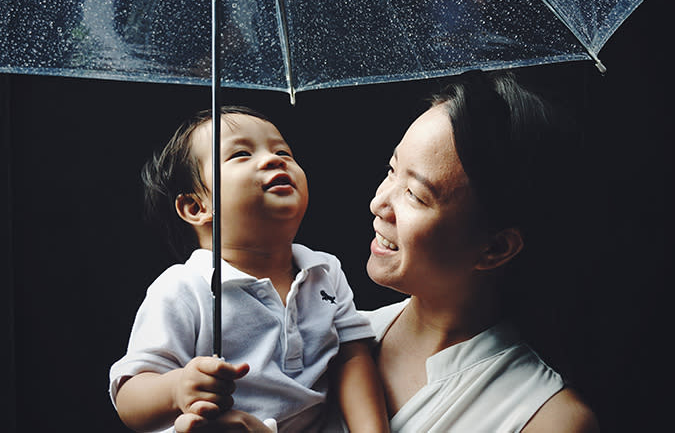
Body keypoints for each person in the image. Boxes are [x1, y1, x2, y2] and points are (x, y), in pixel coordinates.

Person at [174, 71, 600, 432]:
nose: (379, 203)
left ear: (495, 247)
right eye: (391, 170)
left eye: (415, 194)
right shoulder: (325, 336)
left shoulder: (547, 419)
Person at [109, 106, 390, 433]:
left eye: (282, 151)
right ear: (197, 207)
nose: (274, 159)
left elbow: (351, 358)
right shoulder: (184, 288)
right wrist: (176, 387)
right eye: (241, 154)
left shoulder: (324, 271)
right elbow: (128, 398)